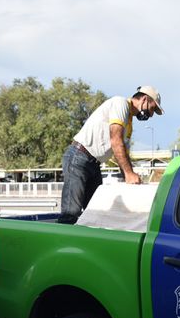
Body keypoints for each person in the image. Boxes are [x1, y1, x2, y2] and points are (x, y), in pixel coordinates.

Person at [57, 86, 164, 224]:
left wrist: (128, 175)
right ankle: (60, 242)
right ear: (144, 99)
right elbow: (116, 141)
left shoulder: (128, 121)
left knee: (95, 213)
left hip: (92, 164)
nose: (151, 115)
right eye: (152, 109)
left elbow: (121, 152)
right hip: (79, 157)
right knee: (71, 213)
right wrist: (129, 174)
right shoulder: (120, 104)